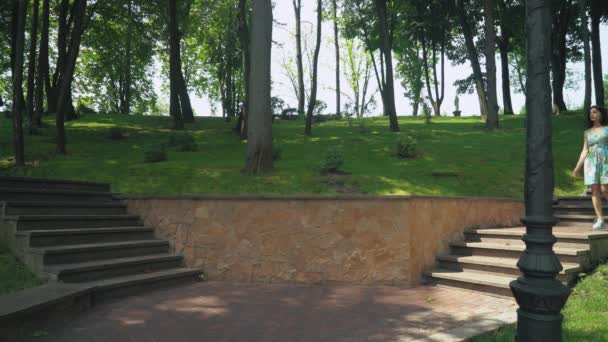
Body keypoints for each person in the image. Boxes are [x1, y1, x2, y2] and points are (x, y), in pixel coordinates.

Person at [572, 106, 608, 230]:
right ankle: (600, 219)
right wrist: (577, 167)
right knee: (594, 190)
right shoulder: (587, 133)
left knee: (605, 188)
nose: (592, 114)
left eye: (595, 112)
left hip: (606, 160)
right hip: (591, 161)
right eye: (590, 113)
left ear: (601, 114)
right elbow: (585, 150)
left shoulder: (607, 129)